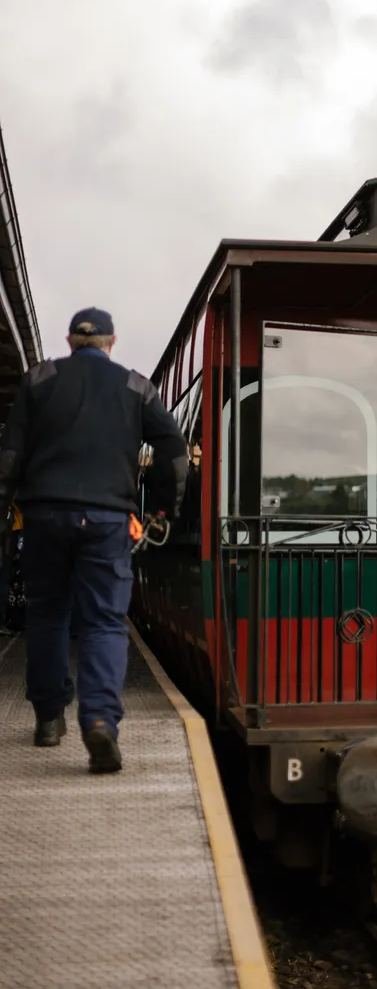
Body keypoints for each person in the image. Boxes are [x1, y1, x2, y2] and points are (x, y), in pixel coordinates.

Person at [0, 308, 187, 773]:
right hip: (107, 519)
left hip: (44, 516)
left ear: (70, 340)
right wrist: (163, 510)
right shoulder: (135, 386)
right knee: (104, 621)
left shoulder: (37, 380)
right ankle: (100, 719)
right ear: (111, 341)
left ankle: (48, 719)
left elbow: (9, 455)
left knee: (47, 615)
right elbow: (175, 451)